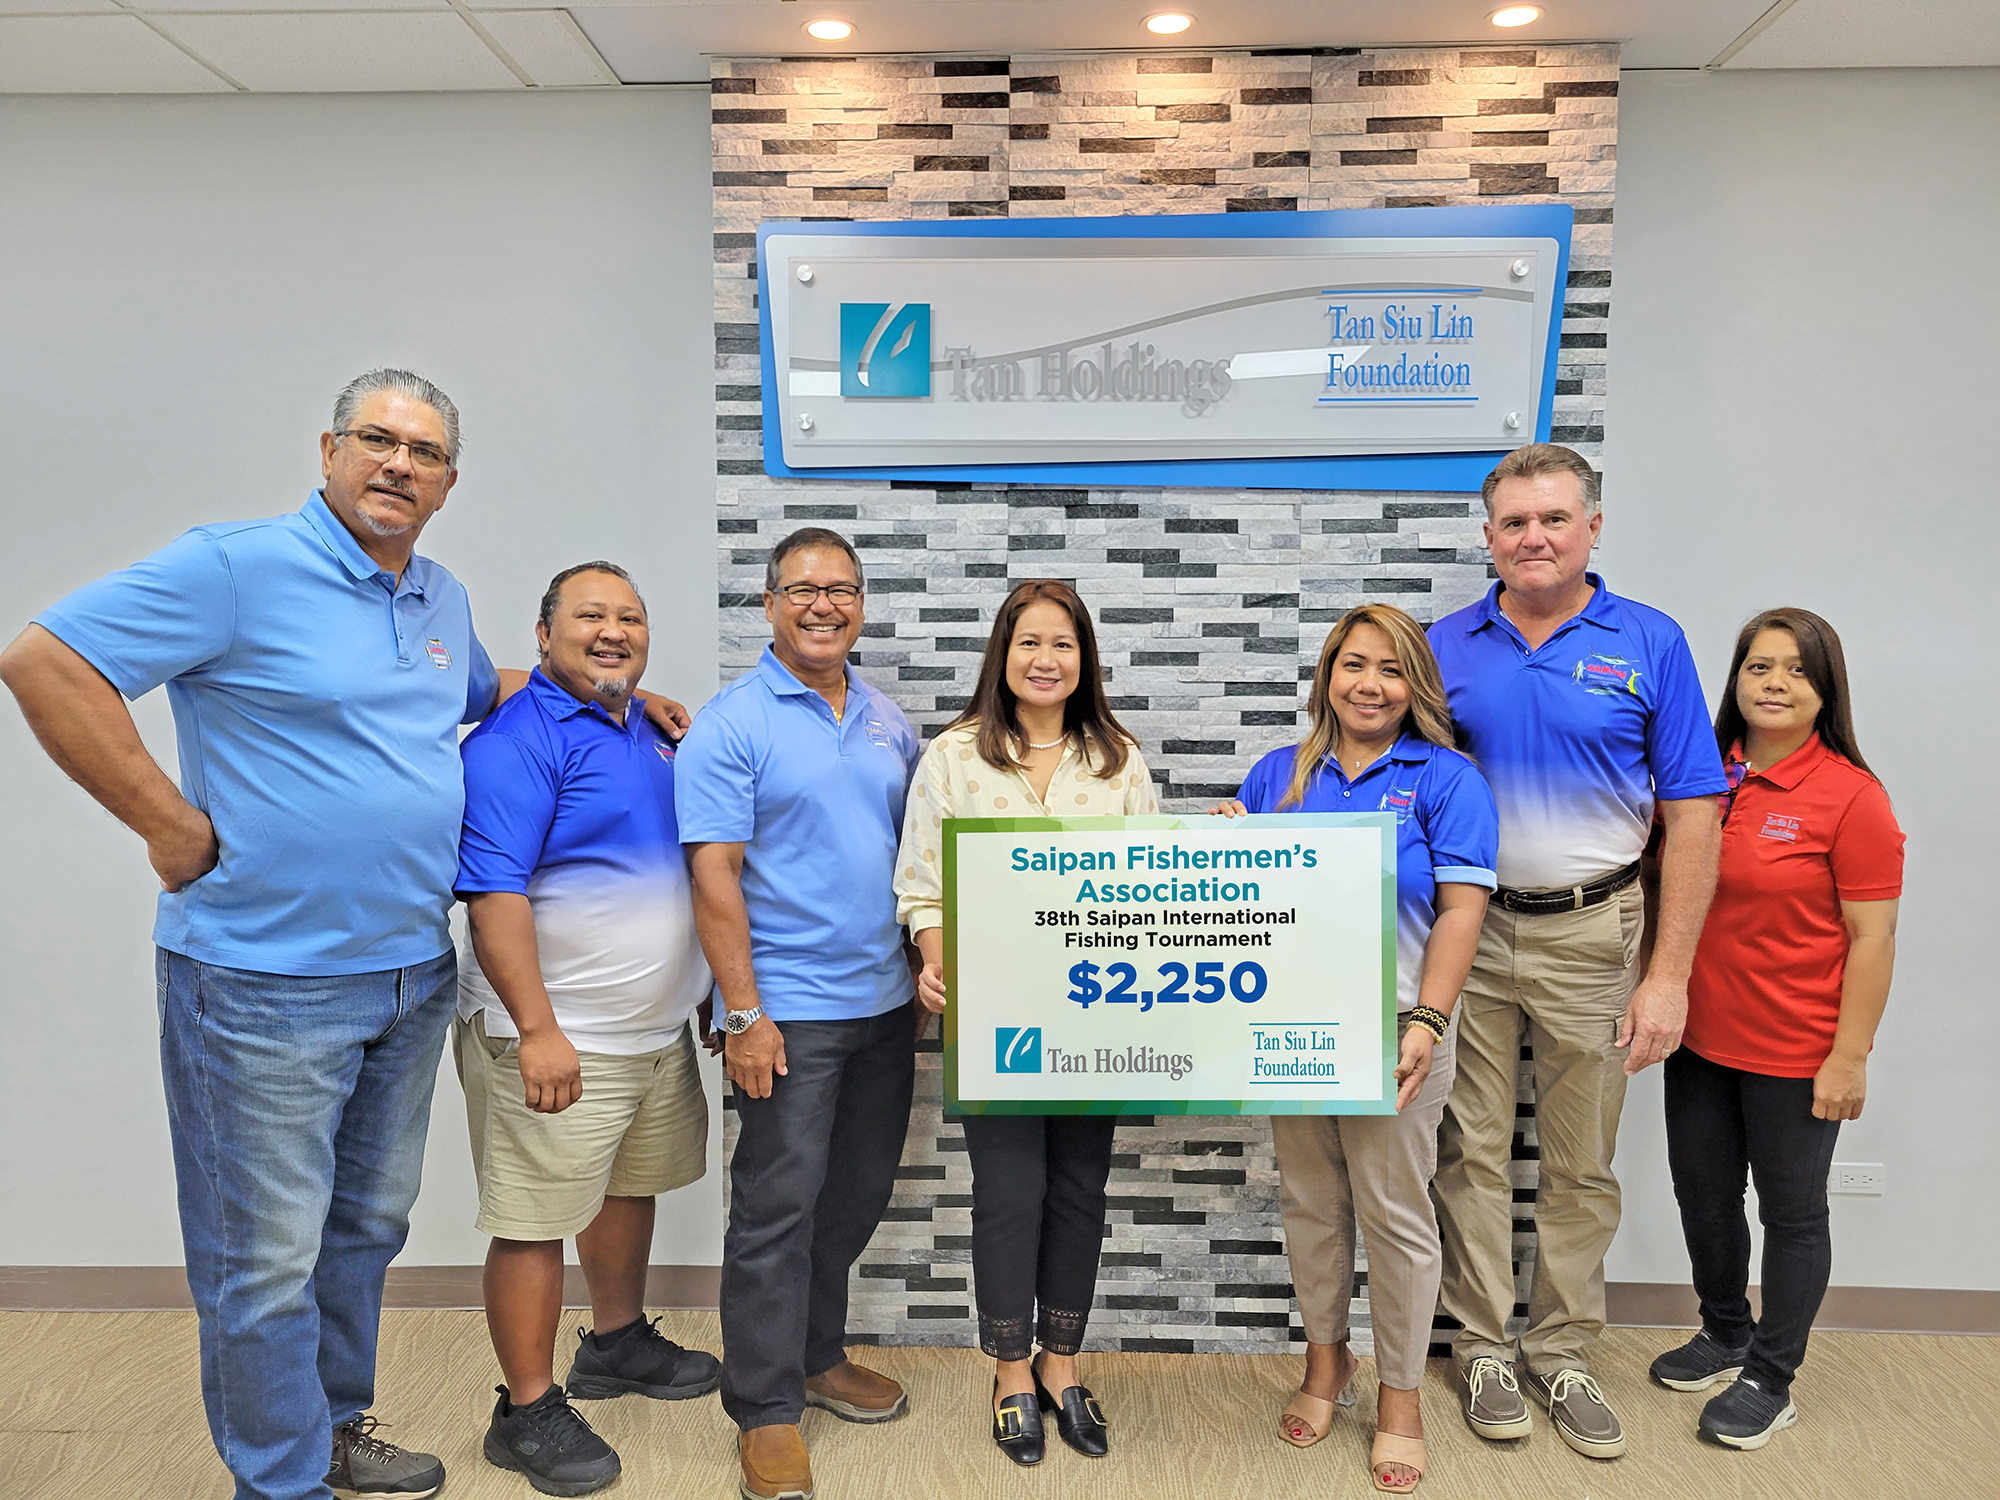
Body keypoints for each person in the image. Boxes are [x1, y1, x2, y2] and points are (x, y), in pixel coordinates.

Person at [0, 370, 686, 1500]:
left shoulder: (436, 598)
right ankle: (280, 1482)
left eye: (424, 453)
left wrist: (604, 687)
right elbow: (44, 661)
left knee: (363, 1232)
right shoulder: (235, 567)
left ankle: (329, 1428)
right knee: (263, 1260)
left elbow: (471, 693)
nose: (398, 465)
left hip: (410, 973)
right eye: (378, 439)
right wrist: (168, 827)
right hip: (259, 981)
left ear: (449, 483)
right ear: (329, 449)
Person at [1426, 443, 1727, 1461]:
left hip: (1596, 935)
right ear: (1487, 537)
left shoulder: (1648, 641)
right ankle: (1477, 1347)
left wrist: (1667, 975)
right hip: (1462, 933)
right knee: (1464, 1150)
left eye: (1553, 518)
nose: (1533, 538)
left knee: (1577, 1164)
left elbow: (1691, 813)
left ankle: (1558, 1351)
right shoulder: (1440, 645)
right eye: (1513, 522)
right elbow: (1386, 771)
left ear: (1591, 526)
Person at [1211, 603, 1496, 1495]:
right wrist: (1217, 850)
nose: (1370, 685)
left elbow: (1461, 911)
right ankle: (1326, 1363)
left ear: (1417, 686)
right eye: (1353, 665)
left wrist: (1429, 1022)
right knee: (1311, 1207)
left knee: (1396, 1219)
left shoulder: (1450, 780)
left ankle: (1402, 1398)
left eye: (1392, 669)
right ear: (1327, 675)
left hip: (1398, 1035)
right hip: (1293, 1030)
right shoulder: (1276, 774)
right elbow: (1244, 908)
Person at [452, 562, 721, 1496]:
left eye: (630, 619)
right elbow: (494, 894)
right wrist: (536, 1029)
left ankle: (614, 1344)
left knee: (626, 1187)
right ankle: (524, 1409)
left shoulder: (642, 727)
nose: (613, 632)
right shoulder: (513, 742)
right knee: (532, 1221)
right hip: (558, 1035)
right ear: (541, 634)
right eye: (590, 617)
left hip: (651, 1033)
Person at [674, 527, 922, 1500]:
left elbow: (913, 860)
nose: (823, 604)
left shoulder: (887, 720)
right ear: (768, 603)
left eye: (841, 589)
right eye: (802, 588)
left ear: (860, 604)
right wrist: (743, 1014)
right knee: (774, 1213)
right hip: (785, 1014)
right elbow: (712, 876)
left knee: (852, 1199)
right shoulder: (730, 723)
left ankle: (819, 1357)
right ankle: (766, 1409)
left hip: (883, 1007)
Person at [894, 580, 1158, 1467]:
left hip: (1099, 1021)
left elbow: (1157, 885)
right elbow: (922, 885)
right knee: (1010, 1197)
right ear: (1002, 655)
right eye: (1028, 643)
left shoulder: (1118, 758)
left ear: (1085, 660)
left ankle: (1062, 1363)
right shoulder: (954, 757)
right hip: (996, 1018)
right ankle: (1010, 1370)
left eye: (1063, 645)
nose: (1046, 660)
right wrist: (935, 959)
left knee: (1081, 1193)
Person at [1647, 609, 1901, 1450]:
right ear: (1735, 680)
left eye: (1797, 670)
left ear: (1825, 689)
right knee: (1705, 1195)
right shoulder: (1700, 780)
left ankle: (1771, 1374)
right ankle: (1724, 1330)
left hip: (1797, 1049)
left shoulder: (1851, 797)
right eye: (1758, 667)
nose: (1775, 685)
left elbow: (1873, 938)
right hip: (1698, 1038)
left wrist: (1849, 1057)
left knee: (1793, 1214)